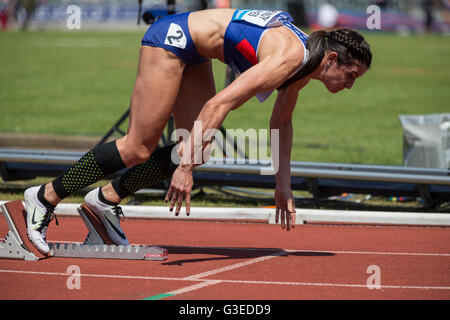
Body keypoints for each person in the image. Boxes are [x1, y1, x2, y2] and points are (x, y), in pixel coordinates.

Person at [23, 8, 372, 254]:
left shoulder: (305, 62)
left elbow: (281, 123)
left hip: (196, 53)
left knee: (197, 147)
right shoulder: (290, 59)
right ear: (331, 61)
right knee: (137, 148)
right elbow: (217, 106)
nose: (350, 86)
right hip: (171, 40)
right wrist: (185, 170)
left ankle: (104, 201)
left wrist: (282, 186)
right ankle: (44, 197)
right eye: (351, 75)